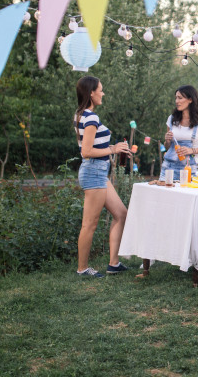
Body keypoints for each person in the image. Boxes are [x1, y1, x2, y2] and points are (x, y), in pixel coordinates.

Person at [74, 76, 132, 278]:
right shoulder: (90, 118)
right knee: (89, 223)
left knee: (122, 214)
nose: (103, 93)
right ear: (91, 92)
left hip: (98, 172)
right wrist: (113, 149)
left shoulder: (82, 114)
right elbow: (87, 151)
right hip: (93, 172)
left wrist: (114, 149)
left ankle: (114, 263)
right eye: (101, 89)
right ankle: (82, 269)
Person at [160, 85, 198, 182]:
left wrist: (191, 150)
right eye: (176, 98)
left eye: (180, 98)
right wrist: (167, 141)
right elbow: (168, 147)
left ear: (190, 99)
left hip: (189, 169)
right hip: (168, 169)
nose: (177, 101)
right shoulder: (171, 119)